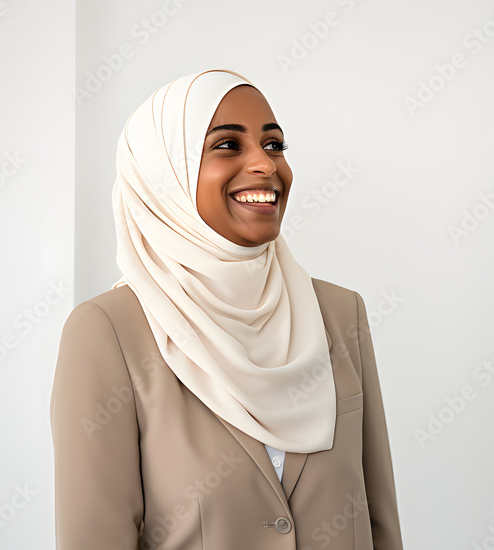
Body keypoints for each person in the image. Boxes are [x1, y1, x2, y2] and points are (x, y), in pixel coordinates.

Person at [50, 69, 403, 549]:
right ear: (164, 176)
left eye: (274, 145)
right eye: (227, 146)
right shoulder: (109, 333)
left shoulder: (341, 314)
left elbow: (379, 520)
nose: (266, 164)